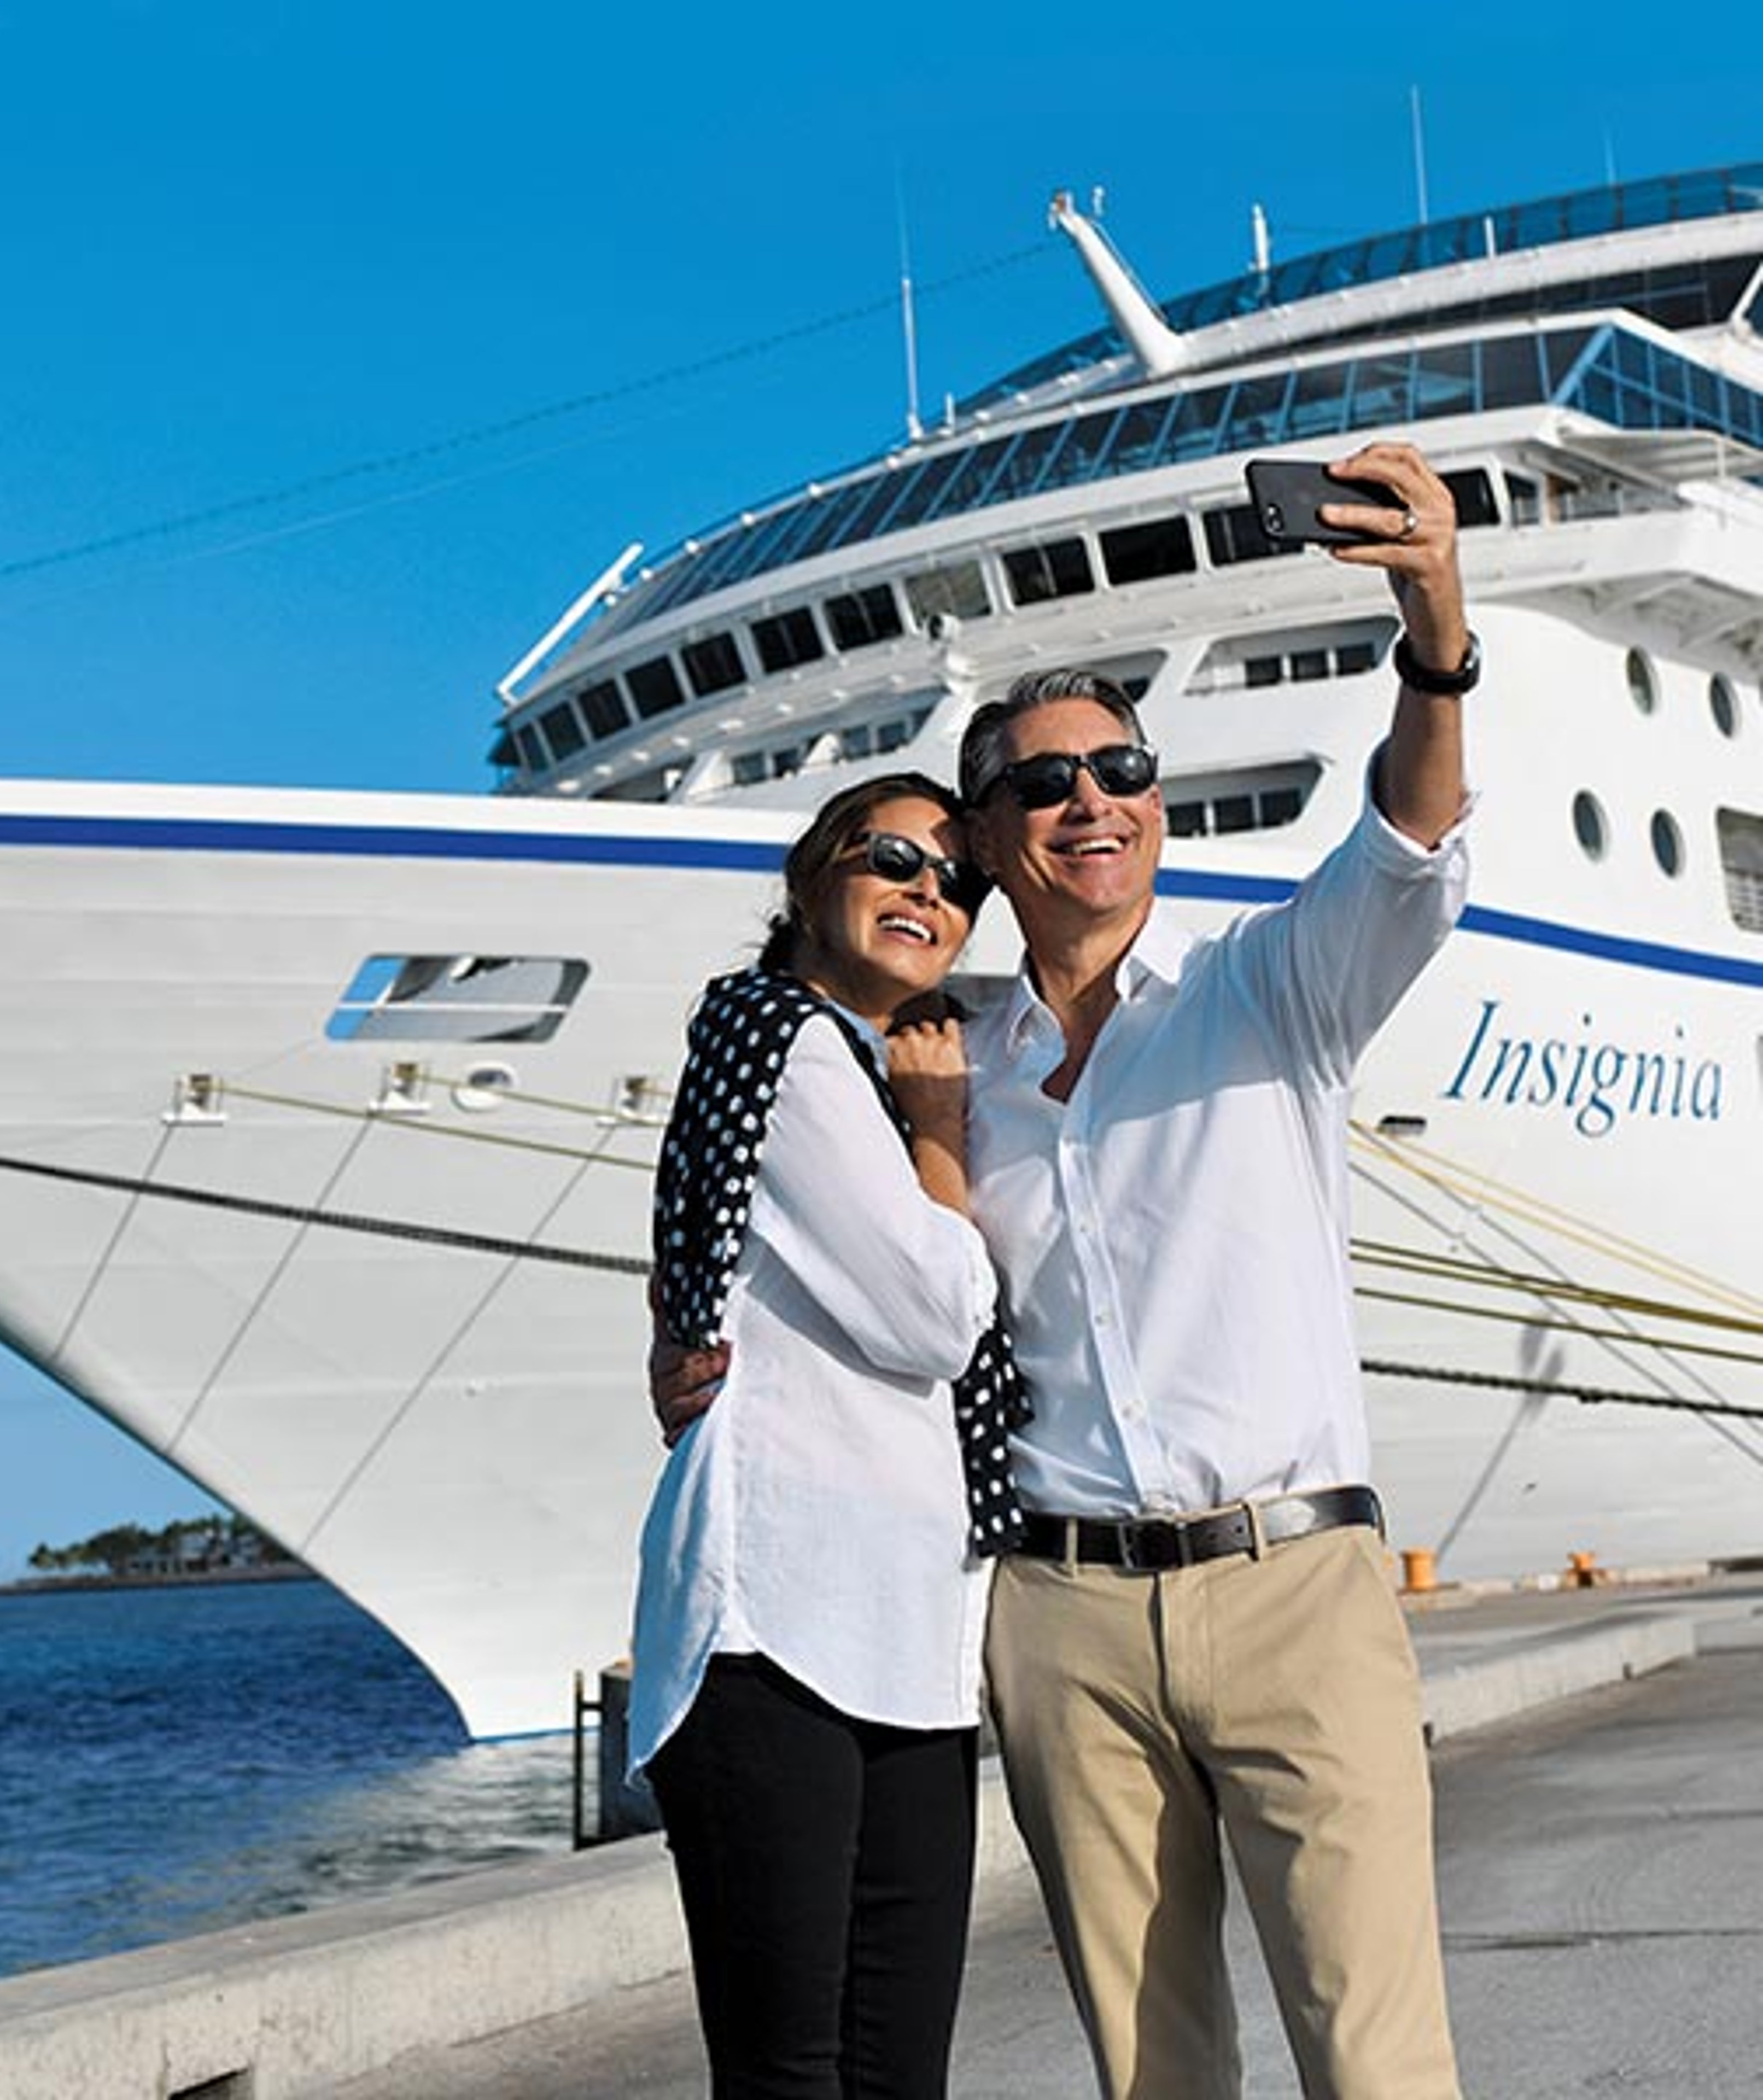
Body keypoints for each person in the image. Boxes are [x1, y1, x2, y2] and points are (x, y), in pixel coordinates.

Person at [661, 442, 1475, 2098]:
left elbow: (1407, 836)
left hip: (1293, 1584)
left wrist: (1434, 622)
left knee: (1377, 2061)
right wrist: (681, 1326)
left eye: (1124, 766)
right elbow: (794, 1228)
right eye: (1045, 782)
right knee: (1151, 2072)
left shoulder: (1272, 992)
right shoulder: (930, 1071)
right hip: (1060, 1617)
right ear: (982, 834)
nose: (1093, 798)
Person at [629, 769, 1024, 2100]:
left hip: (899, 1638)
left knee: (879, 2075)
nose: (929, 890)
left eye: (956, 880)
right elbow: (928, 1315)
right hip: (779, 1628)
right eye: (893, 859)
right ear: (813, 877)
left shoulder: (830, 1063)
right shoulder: (785, 1038)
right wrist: (944, 1133)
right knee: (803, 2075)